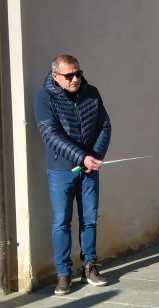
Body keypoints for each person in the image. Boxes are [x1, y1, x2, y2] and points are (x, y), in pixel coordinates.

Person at [34, 54, 111, 295]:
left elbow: (105, 125)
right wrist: (81, 157)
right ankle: (63, 274)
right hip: (61, 171)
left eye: (78, 73)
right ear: (56, 77)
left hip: (89, 168)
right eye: (69, 75)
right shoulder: (44, 98)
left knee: (89, 218)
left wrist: (95, 156)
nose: (76, 78)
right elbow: (50, 134)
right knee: (61, 222)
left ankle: (90, 266)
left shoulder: (92, 92)